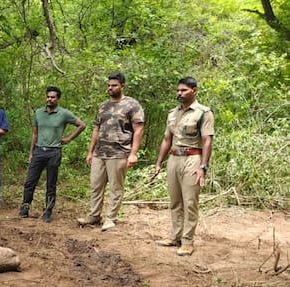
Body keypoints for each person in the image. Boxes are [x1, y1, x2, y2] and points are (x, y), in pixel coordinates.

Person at [151, 77, 214, 256]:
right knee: (175, 201)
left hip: (192, 158)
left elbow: (207, 141)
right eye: (178, 90)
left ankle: (187, 241)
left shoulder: (203, 113)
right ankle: (175, 235)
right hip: (174, 158)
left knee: (190, 201)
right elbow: (166, 139)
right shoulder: (172, 113)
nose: (179, 94)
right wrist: (158, 163)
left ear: (194, 90)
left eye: (183, 90)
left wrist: (203, 166)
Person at [77, 72, 144, 231]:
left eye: (114, 85)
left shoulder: (132, 105)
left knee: (115, 187)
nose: (110, 88)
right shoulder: (103, 106)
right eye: (109, 85)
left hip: (119, 152)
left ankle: (110, 218)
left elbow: (138, 129)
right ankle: (94, 215)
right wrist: (90, 151)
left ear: (122, 86)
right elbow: (96, 128)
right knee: (96, 185)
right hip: (100, 153)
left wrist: (133, 153)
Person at [18, 86, 86, 222]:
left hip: (54, 152)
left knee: (51, 183)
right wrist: (31, 152)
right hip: (39, 151)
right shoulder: (38, 113)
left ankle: (48, 210)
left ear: (58, 99)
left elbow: (81, 125)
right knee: (30, 181)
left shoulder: (64, 113)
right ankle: (25, 207)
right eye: (48, 97)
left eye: (53, 97)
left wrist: (68, 139)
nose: (50, 99)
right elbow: (35, 134)